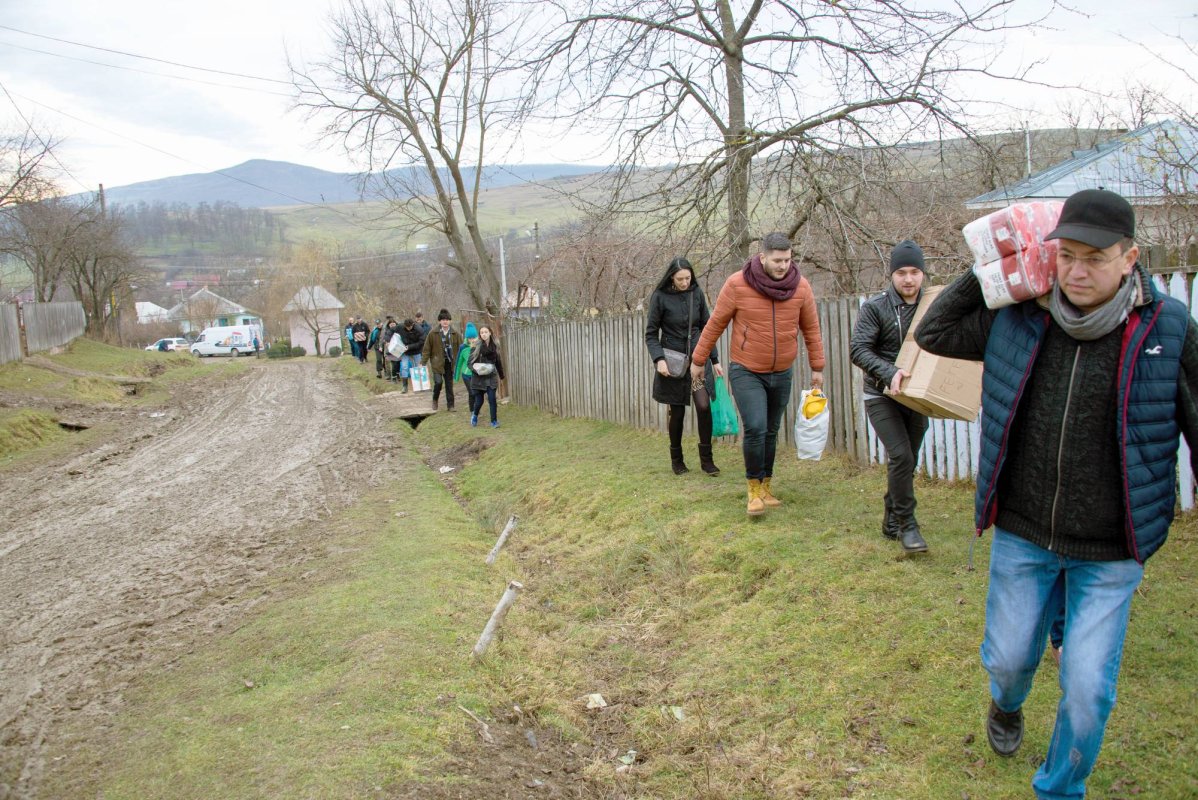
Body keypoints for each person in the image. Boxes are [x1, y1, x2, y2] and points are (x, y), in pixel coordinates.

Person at [914, 188, 1198, 800]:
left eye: (1094, 258)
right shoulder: (1022, 310)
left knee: (1089, 687)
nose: (1075, 270)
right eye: (1065, 254)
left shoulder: (1168, 327)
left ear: (1130, 257)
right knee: (1011, 660)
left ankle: (1060, 789)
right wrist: (1000, 262)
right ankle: (1006, 704)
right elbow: (935, 331)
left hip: (1112, 546)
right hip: (1024, 530)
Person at [690, 232, 825, 515]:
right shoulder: (737, 284)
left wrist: (817, 368)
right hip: (747, 370)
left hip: (782, 372)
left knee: (771, 430)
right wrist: (698, 359)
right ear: (762, 257)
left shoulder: (800, 287)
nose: (782, 266)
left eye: (787, 260)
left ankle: (766, 485)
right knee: (756, 426)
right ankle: (752, 489)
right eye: (777, 260)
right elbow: (715, 324)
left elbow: (811, 329)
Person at [849, 240, 931, 554]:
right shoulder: (876, 307)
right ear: (892, 274)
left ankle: (891, 517)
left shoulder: (932, 306)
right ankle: (909, 526)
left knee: (907, 461)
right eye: (901, 272)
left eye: (914, 272)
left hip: (917, 396)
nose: (908, 279)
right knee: (901, 456)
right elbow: (858, 349)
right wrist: (890, 371)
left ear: (922, 274)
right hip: (881, 395)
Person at [645, 257, 723, 476]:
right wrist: (658, 359)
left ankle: (707, 461)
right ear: (672, 277)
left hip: (699, 359)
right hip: (673, 362)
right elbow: (651, 334)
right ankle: (677, 460)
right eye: (680, 279)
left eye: (688, 278)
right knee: (677, 412)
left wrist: (714, 360)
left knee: (704, 406)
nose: (685, 282)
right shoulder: (659, 297)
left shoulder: (696, 294)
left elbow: (707, 329)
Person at [422, 308, 462, 411]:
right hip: (437, 363)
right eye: (443, 319)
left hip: (450, 363)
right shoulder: (432, 333)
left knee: (449, 385)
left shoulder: (455, 334)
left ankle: (451, 405)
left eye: (447, 319)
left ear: (450, 321)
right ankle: (435, 399)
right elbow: (427, 349)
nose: (445, 321)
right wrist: (423, 362)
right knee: (438, 382)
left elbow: (462, 349)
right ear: (439, 321)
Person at [468, 325, 505, 427]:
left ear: (490, 333)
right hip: (478, 377)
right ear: (480, 335)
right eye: (481, 332)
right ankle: (475, 415)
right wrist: (477, 370)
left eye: (485, 332)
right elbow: (469, 363)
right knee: (479, 401)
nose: (484, 334)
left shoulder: (495, 346)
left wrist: (501, 377)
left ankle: (494, 421)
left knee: (492, 399)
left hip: (491, 376)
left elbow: (498, 362)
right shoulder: (475, 347)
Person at [456, 323, 480, 415]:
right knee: (471, 392)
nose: (472, 340)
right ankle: (472, 410)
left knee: (476, 392)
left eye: (473, 338)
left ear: (476, 337)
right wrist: (456, 376)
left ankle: (476, 409)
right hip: (466, 375)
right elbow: (459, 362)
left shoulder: (479, 346)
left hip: (476, 374)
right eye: (470, 338)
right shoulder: (463, 347)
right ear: (467, 338)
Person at [397, 318, 426, 392]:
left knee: (419, 366)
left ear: (413, 324)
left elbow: (421, 342)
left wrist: (410, 347)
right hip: (405, 351)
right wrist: (387, 339)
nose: (408, 329)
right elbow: (391, 330)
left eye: (409, 327)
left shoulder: (419, 329)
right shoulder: (400, 327)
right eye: (406, 327)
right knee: (404, 367)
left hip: (416, 350)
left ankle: (422, 386)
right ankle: (405, 386)